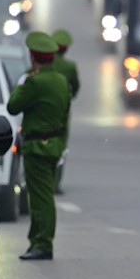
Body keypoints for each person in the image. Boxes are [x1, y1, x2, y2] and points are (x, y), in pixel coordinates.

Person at [7, 31, 71, 260]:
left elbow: (13, 106)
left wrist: (23, 83)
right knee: (44, 195)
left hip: (37, 147)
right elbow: (65, 113)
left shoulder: (35, 82)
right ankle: (38, 241)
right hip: (54, 145)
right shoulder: (61, 81)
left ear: (33, 57)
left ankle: (42, 243)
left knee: (40, 198)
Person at [50, 29, 79, 194]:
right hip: (62, 110)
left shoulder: (44, 65)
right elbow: (75, 87)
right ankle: (55, 182)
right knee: (60, 146)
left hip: (42, 110)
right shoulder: (69, 67)